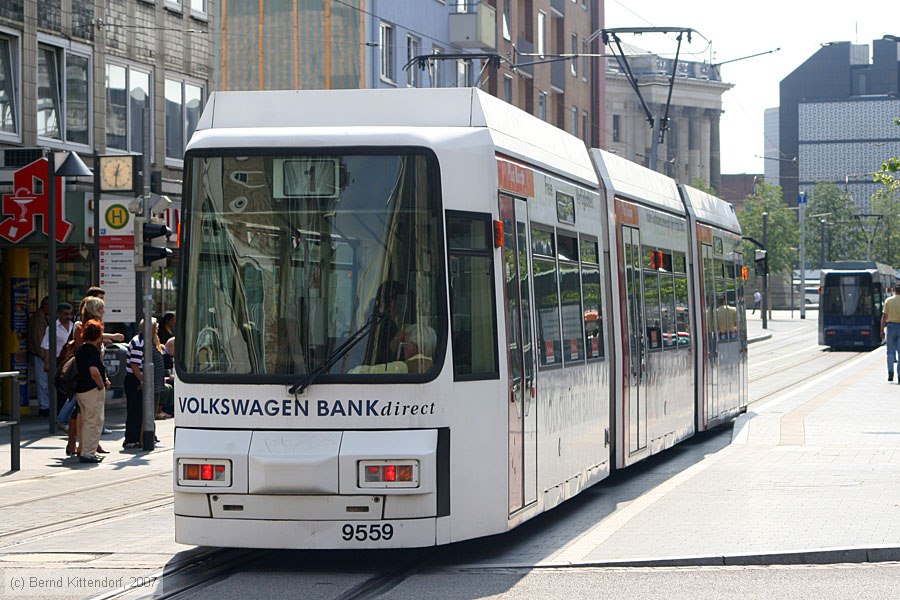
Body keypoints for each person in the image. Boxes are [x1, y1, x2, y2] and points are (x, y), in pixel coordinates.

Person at [123, 318, 166, 448]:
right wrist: (142, 380)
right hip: (135, 380)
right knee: (135, 410)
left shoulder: (149, 341)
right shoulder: (138, 342)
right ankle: (132, 439)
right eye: (155, 327)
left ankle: (145, 436)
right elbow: (135, 365)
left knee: (144, 410)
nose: (157, 329)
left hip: (142, 380)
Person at [73, 320, 110, 464]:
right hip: (92, 390)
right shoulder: (92, 351)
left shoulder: (81, 349)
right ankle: (88, 453)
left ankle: (85, 450)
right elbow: (93, 371)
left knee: (87, 420)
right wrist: (102, 384)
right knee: (93, 421)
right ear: (98, 335)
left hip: (81, 390)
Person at [41, 302, 74, 414]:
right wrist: (47, 363)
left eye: (70, 314)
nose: (68, 317)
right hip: (58, 360)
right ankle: (60, 413)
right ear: (59, 314)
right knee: (60, 389)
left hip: (71, 360)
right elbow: (46, 346)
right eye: (65, 314)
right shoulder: (52, 328)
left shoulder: (74, 326)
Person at [366, 281, 404, 365]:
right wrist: (398, 337)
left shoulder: (372, 320)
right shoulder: (388, 325)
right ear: (391, 303)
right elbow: (382, 357)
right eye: (399, 299)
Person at [27, 296, 50, 416]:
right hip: (40, 354)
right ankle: (44, 406)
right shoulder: (39, 318)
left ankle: (46, 405)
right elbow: (38, 339)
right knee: (43, 382)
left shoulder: (42, 317)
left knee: (45, 381)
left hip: (43, 354)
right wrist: (44, 356)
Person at [882, 287, 900, 384]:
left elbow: (884, 317)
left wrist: (882, 330)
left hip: (891, 327)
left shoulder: (888, 301)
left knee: (890, 352)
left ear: (895, 291)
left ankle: (890, 372)